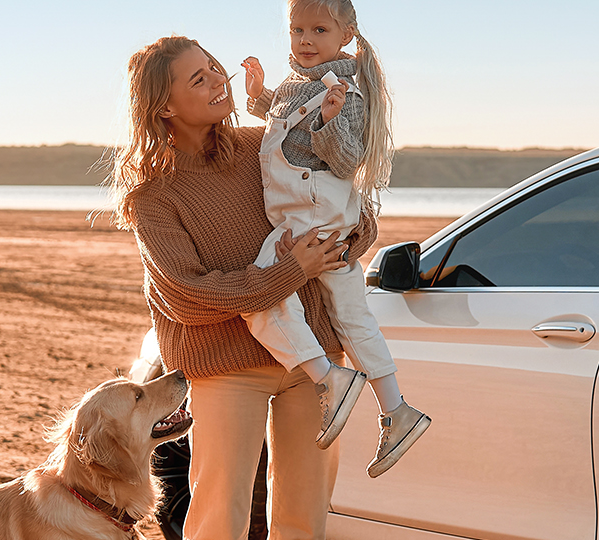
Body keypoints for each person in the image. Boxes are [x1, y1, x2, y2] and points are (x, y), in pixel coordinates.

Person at [108, 36, 375, 539]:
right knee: (217, 517)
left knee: (305, 516)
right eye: (198, 78)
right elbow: (186, 294)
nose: (217, 81)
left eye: (214, 68)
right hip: (225, 365)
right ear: (164, 105)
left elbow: (346, 207)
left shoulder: (265, 145)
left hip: (313, 358)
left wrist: (349, 233)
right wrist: (289, 272)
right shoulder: (153, 195)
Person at [239, 0, 428, 478]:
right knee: (351, 311)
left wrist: (329, 118)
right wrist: (260, 95)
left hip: (311, 209)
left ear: (346, 35)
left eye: (318, 29)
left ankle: (328, 378)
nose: (304, 39)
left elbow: (347, 161)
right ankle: (396, 408)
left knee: (264, 291)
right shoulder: (298, 85)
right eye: (296, 28)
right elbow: (287, 124)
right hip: (315, 210)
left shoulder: (343, 90)